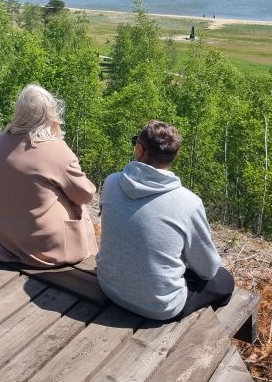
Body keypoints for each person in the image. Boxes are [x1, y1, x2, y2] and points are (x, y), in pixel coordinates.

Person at [97, 120, 234, 321]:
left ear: (139, 150)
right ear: (176, 155)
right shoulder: (189, 203)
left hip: (108, 287)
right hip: (159, 307)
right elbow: (208, 269)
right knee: (224, 281)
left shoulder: (111, 182)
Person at [0, 85, 97, 267]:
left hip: (4, 236)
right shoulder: (57, 150)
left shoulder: (1, 140)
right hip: (44, 248)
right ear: (50, 114)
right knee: (82, 211)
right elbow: (85, 195)